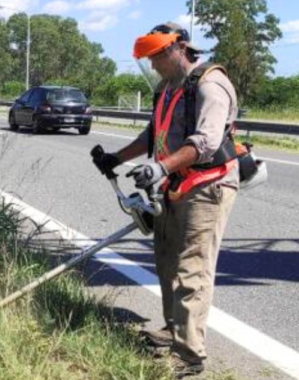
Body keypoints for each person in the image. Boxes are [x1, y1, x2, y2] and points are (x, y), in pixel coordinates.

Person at [93, 22, 240, 378]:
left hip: (207, 187)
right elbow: (153, 134)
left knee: (192, 267)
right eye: (150, 58)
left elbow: (204, 142)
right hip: (173, 184)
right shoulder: (168, 88)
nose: (153, 64)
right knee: (166, 260)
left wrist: (161, 168)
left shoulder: (210, 85)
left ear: (180, 49)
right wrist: (117, 158)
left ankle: (190, 354)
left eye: (157, 56)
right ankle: (174, 330)